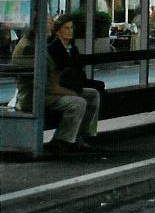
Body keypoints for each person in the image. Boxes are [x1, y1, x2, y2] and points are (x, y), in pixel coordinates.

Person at [12, 15, 101, 156]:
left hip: (47, 91)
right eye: (49, 22)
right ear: (37, 25)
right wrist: (71, 92)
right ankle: (61, 141)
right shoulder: (28, 48)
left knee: (92, 94)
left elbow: (52, 79)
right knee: (78, 102)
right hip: (35, 96)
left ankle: (78, 136)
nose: (52, 26)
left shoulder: (39, 44)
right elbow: (46, 85)